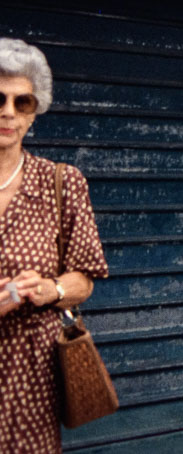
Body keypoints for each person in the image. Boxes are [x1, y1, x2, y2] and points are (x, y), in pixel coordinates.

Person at [0, 38, 109, 452]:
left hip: (32, 384)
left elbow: (86, 279)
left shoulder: (61, 183)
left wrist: (54, 290)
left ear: (34, 113)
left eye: (22, 102)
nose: (8, 112)